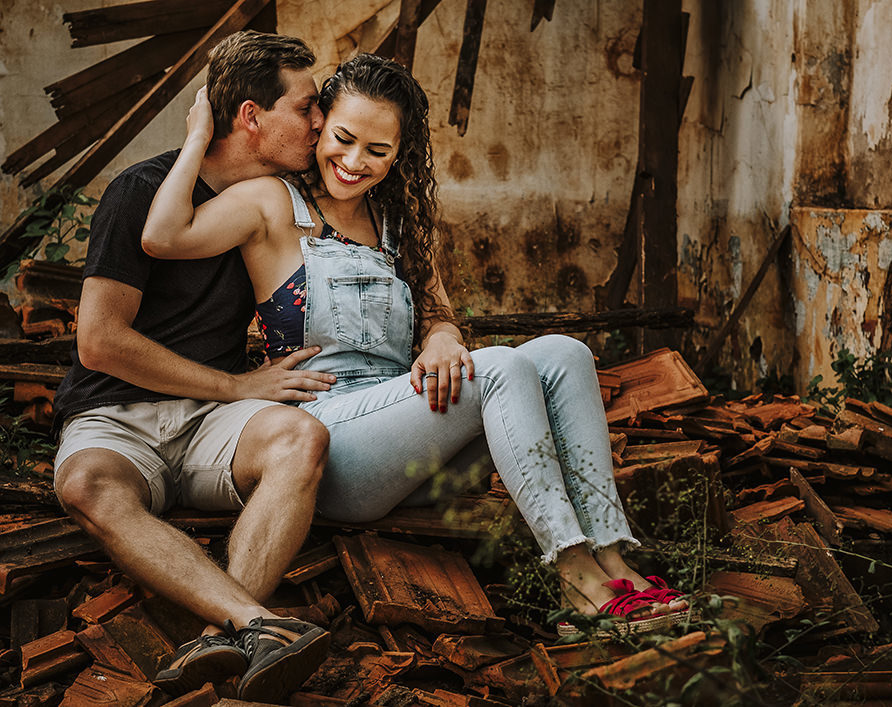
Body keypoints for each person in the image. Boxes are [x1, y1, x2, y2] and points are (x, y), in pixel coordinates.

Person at [142, 53, 691, 635]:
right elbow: (163, 235)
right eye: (343, 139)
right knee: (501, 368)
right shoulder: (272, 203)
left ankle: (614, 559)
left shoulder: (399, 221)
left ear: (400, 153)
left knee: (565, 353)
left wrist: (442, 339)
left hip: (407, 438)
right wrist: (197, 136)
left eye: (377, 151)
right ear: (320, 124)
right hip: (332, 445)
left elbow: (439, 315)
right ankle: (575, 577)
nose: (354, 162)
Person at [51, 31, 336, 699]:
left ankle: (221, 637)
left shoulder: (279, 203)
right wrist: (236, 384)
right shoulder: (140, 191)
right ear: (250, 116)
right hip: (115, 414)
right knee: (87, 484)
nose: (319, 122)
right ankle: (261, 623)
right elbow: (100, 341)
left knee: (301, 438)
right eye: (305, 107)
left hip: (213, 423)